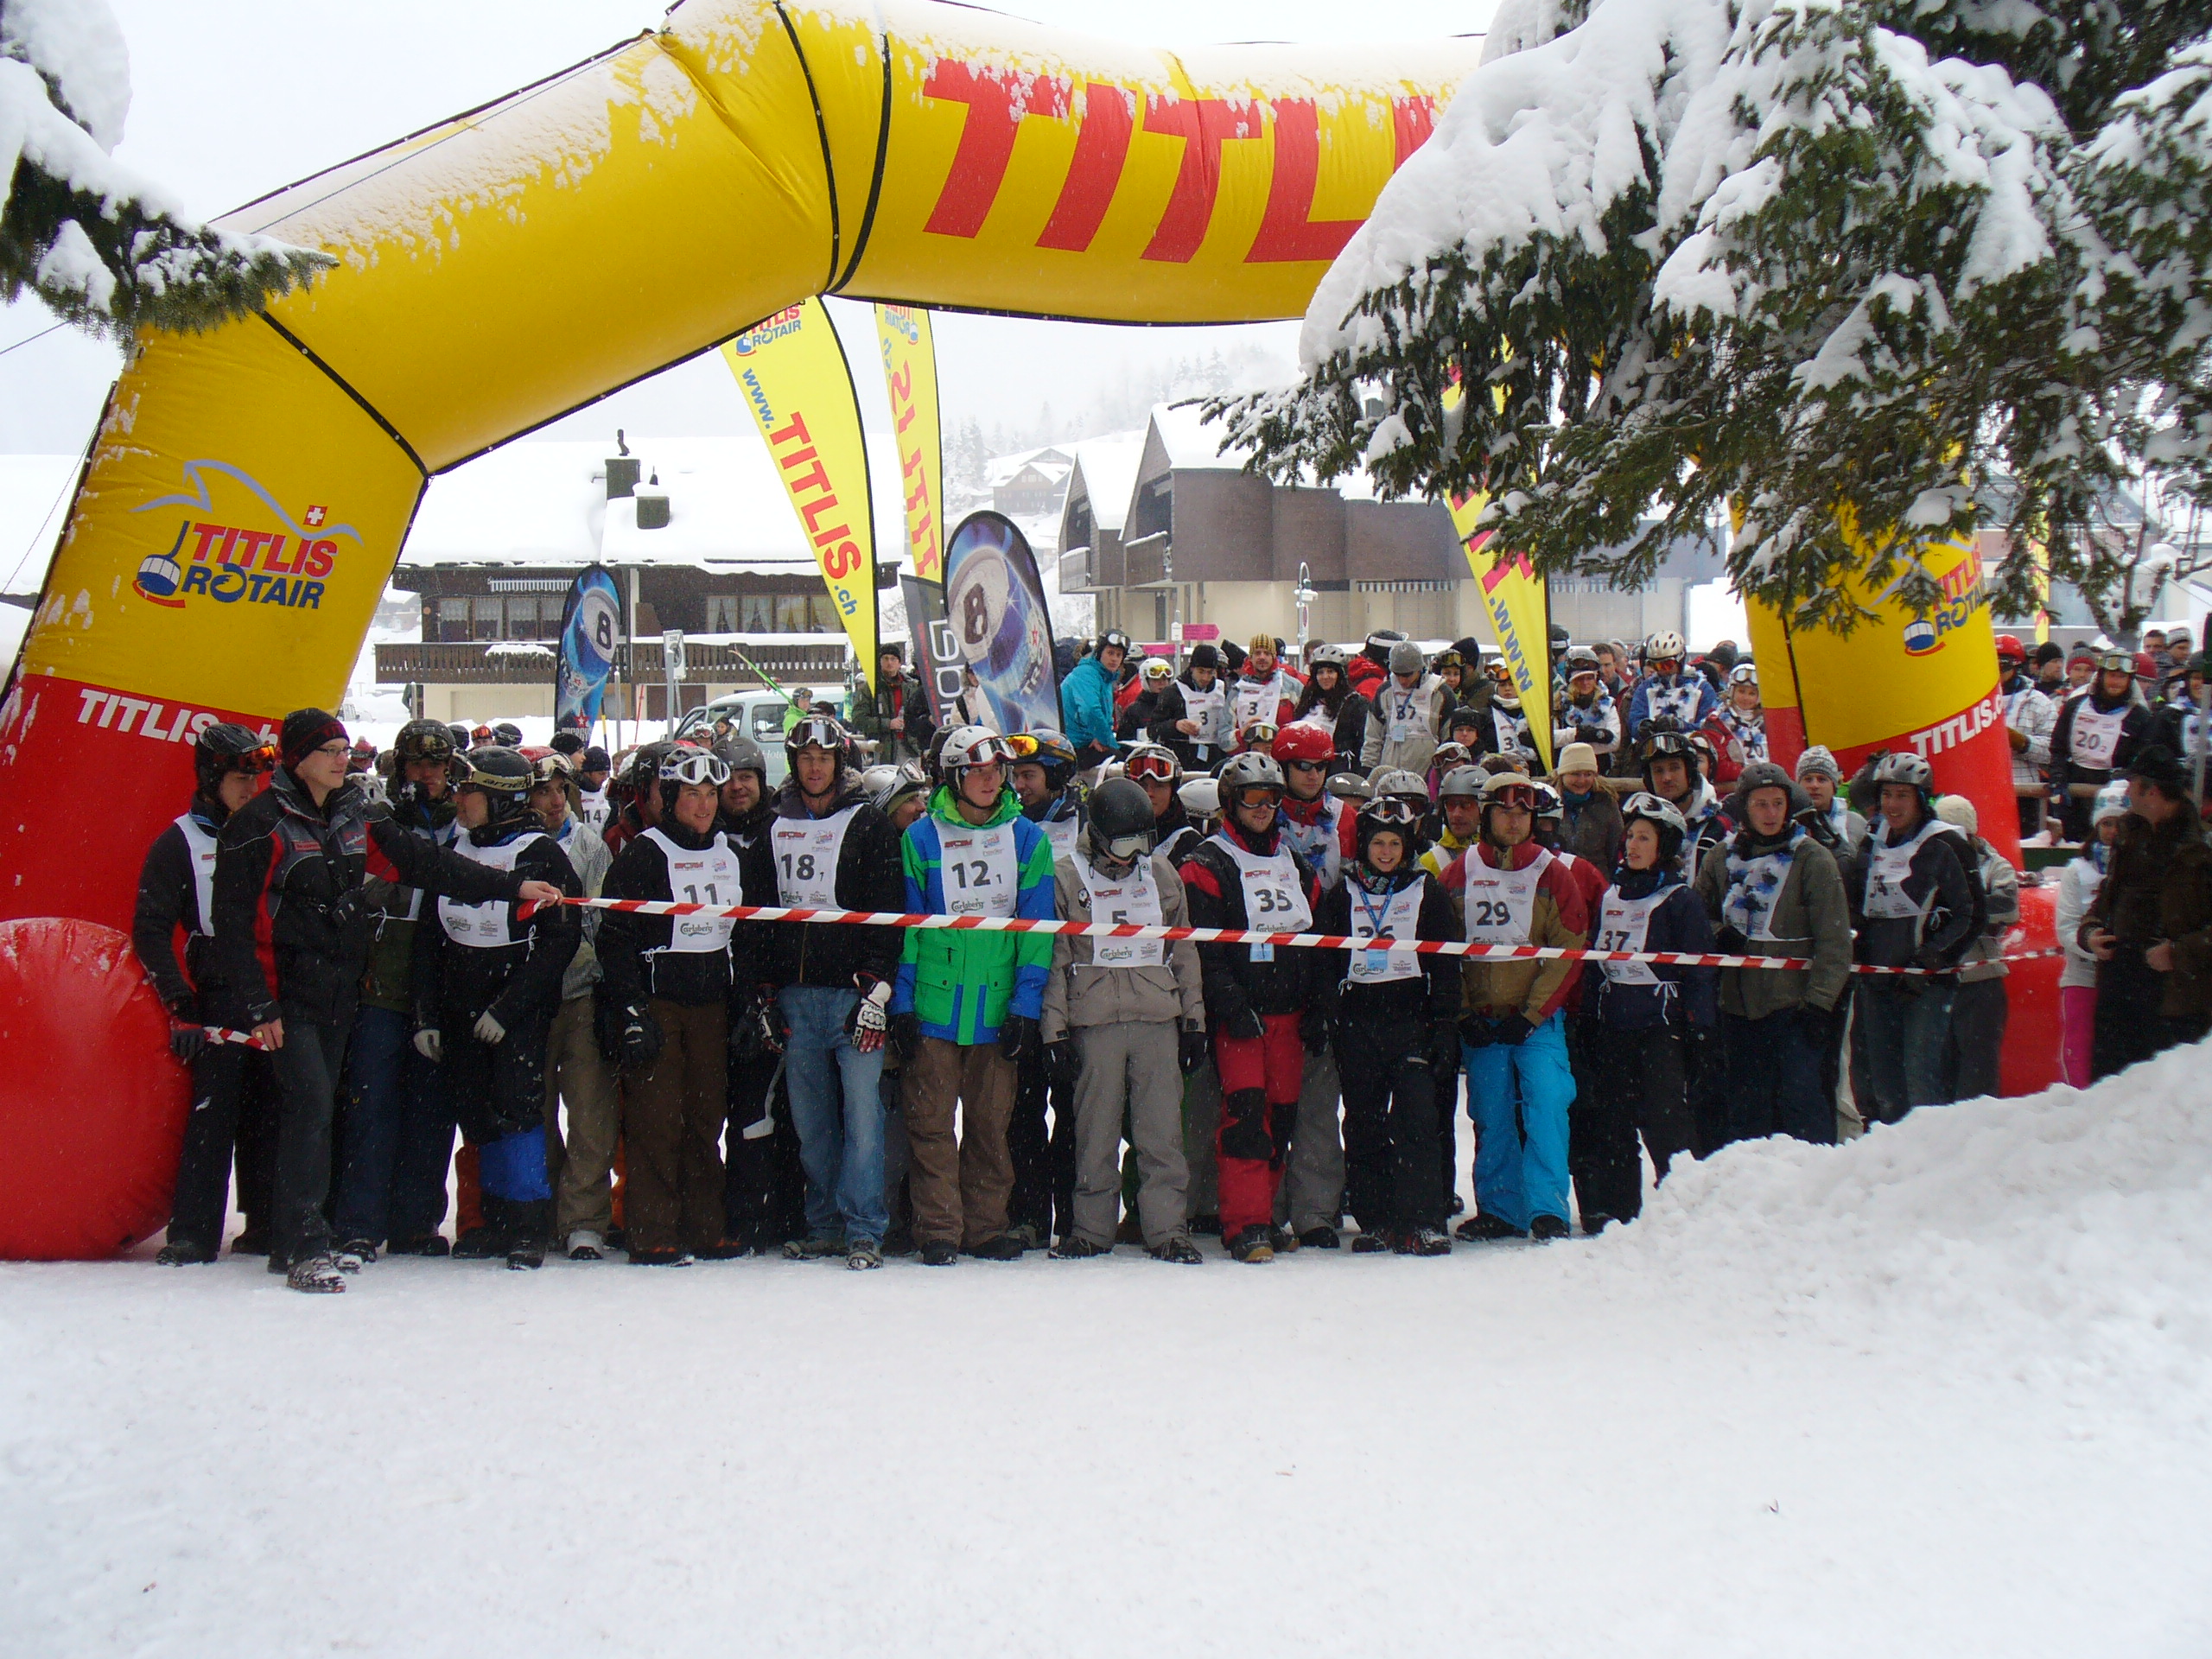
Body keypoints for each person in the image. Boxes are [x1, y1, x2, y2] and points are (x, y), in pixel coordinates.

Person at [211, 709, 562, 1292]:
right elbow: (233, 922)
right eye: (328, 750)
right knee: (312, 1110)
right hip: (285, 996)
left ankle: (298, 1234)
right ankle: (302, 1242)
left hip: (340, 989)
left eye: (344, 748)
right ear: (298, 758)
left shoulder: (355, 815)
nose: (340, 758)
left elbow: (431, 866)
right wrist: (258, 1004)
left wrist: (511, 885)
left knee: (320, 1113)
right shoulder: (258, 823)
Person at [408, 747, 582, 1270]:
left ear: (500, 798)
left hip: (516, 1005)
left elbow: (560, 942)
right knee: (475, 1108)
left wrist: (508, 1009)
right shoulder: (452, 847)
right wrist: (427, 1016)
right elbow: (427, 939)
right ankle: (492, 1220)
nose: (459, 801)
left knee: (517, 1109)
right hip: (460, 1000)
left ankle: (527, 1224)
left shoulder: (541, 854)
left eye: (470, 793)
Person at [889, 727, 1058, 1264]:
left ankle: (985, 1227)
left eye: (997, 771)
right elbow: (909, 930)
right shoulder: (920, 838)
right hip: (935, 1005)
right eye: (977, 771)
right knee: (931, 1125)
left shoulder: (1029, 839)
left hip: (997, 1005)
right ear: (955, 776)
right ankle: (938, 1229)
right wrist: (903, 1005)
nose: (990, 780)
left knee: (990, 1128)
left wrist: (1026, 1008)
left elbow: (1037, 931)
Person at [597, 748, 767, 1264]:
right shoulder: (644, 853)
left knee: (705, 1116)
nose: (704, 805)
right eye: (692, 794)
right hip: (659, 1002)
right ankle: (651, 1232)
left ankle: (704, 1226)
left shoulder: (729, 854)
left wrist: (748, 1004)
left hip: (711, 1002)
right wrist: (630, 1007)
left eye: (711, 795)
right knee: (655, 1119)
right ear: (670, 799)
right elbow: (615, 936)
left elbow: (746, 935)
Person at [1039, 778, 1207, 1263]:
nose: (1132, 856)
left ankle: (1167, 1229)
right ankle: (1091, 1229)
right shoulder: (1068, 877)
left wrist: (1193, 1020)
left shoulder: (1160, 874)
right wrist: (1055, 1030)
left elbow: (1183, 949)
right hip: (1095, 1020)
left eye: (1142, 843)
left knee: (1160, 1133)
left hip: (1156, 1015)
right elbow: (1055, 958)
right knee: (1096, 1131)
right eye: (1123, 844)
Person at [761, 715, 906, 1269]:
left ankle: (865, 1228)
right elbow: (757, 913)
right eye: (805, 760)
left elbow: (888, 910)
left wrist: (877, 989)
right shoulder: (774, 824)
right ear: (795, 764)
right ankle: (823, 1223)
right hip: (797, 1000)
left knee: (865, 1125)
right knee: (813, 1126)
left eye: (824, 759)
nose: (815, 768)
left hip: (854, 1001)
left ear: (838, 762)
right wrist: (763, 993)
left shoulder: (868, 823)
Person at [135, 723, 280, 1264]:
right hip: (216, 988)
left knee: (270, 1111)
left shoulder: (271, 828)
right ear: (210, 779)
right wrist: (180, 1002)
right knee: (212, 1114)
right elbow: (151, 928)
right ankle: (193, 1232)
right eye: (241, 780)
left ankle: (265, 1224)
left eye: (256, 779)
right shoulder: (180, 841)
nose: (251, 790)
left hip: (269, 983)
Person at [1180, 751, 1330, 1263]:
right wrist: (1228, 1002)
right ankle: (1243, 1224)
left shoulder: (1296, 862)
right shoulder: (1207, 863)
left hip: (1289, 1012)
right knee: (1245, 1117)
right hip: (1242, 1016)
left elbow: (1316, 941)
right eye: (1252, 798)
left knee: (1281, 1119)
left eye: (1271, 798)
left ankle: (1264, 1213)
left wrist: (1316, 1005)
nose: (1264, 808)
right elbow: (1205, 947)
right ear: (1230, 802)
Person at [329, 718, 467, 1260]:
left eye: (438, 764)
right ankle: (359, 1221)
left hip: (440, 987)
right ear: (399, 767)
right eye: (418, 763)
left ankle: (416, 1221)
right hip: (381, 984)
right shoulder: (375, 820)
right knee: (371, 1106)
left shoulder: (466, 821)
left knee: (431, 1112)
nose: (429, 774)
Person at [1444, 770, 1589, 1240]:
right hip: (1483, 1019)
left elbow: (1569, 949)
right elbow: (1442, 948)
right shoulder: (1460, 870)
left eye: (1522, 813)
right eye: (1504, 811)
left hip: (1536, 1020)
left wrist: (1532, 1015)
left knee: (1547, 1104)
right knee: (1491, 1112)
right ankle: (1499, 1209)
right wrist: (1464, 1011)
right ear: (1487, 815)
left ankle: (1547, 1208)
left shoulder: (1553, 872)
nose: (1513, 821)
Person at [1314, 794, 1459, 1254]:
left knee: (1418, 1118)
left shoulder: (1426, 891)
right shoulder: (1344, 894)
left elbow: (1447, 963)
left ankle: (1422, 1219)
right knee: (1364, 1123)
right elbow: (1325, 963)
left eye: (1395, 843)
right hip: (1359, 1020)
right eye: (1378, 843)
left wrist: (1444, 1024)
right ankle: (1375, 1218)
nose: (1386, 853)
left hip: (1411, 1019)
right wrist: (1328, 1017)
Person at [1694, 760, 1853, 1146]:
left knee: (1801, 1104)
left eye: (1778, 804)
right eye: (1761, 804)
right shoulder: (1718, 857)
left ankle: (1813, 1184)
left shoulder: (1812, 858)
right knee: (1746, 1108)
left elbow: (1834, 941)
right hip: (1736, 1005)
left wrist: (1819, 1004)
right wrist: (1718, 933)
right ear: (1745, 808)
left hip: (1794, 1006)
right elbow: (1697, 917)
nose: (1770, 813)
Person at [1579, 792, 1716, 1229]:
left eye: (1645, 838)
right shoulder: (1610, 894)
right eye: (1630, 837)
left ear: (1665, 847)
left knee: (1665, 1120)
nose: (1633, 846)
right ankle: (1620, 1210)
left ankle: (1680, 1207)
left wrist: (1701, 1029)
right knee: (1613, 1121)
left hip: (1661, 1028)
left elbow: (1699, 971)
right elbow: (1595, 961)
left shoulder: (1681, 900)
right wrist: (1588, 1016)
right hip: (1614, 1024)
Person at [522, 748, 620, 1261]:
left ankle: (584, 1217)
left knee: (590, 1111)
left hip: (581, 991)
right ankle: (542, 1206)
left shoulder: (589, 845)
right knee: (533, 1110)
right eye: (543, 791)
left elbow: (602, 921)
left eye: (562, 790)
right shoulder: (513, 845)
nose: (555, 801)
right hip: (530, 1000)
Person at [1845, 753, 1980, 1122]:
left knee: (1921, 1084)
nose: (1892, 805)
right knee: (1884, 1088)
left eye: (1902, 796)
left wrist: (1931, 959)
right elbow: (1858, 902)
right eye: (1887, 795)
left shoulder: (1947, 844)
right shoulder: (1872, 839)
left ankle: (1931, 1163)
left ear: (1921, 799)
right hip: (1877, 979)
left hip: (1925, 983)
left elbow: (1971, 914)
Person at [2081, 745, 2212, 1077]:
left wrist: (2178, 952)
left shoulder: (2200, 848)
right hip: (2119, 981)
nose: (2126, 792)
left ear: (2151, 791)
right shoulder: (2129, 834)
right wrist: (2092, 931)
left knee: (2157, 1098)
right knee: (2108, 1087)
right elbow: (2107, 897)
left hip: (2175, 994)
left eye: (2131, 784)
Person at [1934, 795, 2018, 1102]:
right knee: (1938, 1072)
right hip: (1937, 982)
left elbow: (2008, 908)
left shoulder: (1995, 866)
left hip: (1981, 982)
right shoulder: (1924, 863)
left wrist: (1960, 911)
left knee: (1977, 1077)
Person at [2056, 782, 2127, 1086]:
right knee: (2080, 1053)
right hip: (2083, 975)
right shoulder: (2077, 870)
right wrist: (2091, 947)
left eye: (2121, 824)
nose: (2113, 831)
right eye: (2107, 823)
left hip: (2126, 976)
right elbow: (2066, 926)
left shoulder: (2139, 866)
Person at [2050, 650, 2153, 842]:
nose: (2116, 682)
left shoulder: (2140, 717)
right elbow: (2058, 747)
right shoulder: (2076, 706)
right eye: (2112, 676)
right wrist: (2058, 776)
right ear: (2101, 676)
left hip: (2113, 794)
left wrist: (2126, 776)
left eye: (2122, 677)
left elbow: (2144, 759)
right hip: (2074, 788)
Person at [1995, 634, 2056, 841]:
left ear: (2015, 666)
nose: (1995, 670)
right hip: (1987, 786)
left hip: (2023, 791)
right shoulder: (1972, 700)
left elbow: (2052, 750)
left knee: (2022, 846)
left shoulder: (2038, 702)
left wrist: (2023, 743)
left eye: (2002, 664)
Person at [1360, 639, 1446, 777]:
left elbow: (1448, 737)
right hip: (1389, 773)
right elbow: (1373, 737)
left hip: (1427, 774)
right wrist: (1368, 768)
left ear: (1419, 669)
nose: (1402, 680)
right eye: (1397, 674)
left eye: (1407, 675)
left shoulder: (1440, 692)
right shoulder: (1385, 691)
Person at [1147, 642, 1234, 773]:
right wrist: (1175, 725)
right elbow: (1153, 730)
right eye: (1201, 672)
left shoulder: (1222, 690)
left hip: (1215, 759)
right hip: (1183, 759)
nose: (1205, 677)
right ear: (1192, 668)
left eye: (1210, 672)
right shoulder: (1173, 692)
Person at [849, 642, 936, 767]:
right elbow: (858, 719)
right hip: (882, 749)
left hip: (911, 748)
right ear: (879, 662)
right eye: (885, 659)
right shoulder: (870, 688)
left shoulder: (913, 686)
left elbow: (923, 715)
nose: (889, 662)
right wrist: (888, 724)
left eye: (893, 659)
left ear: (899, 663)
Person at [1007, 728, 1086, 862]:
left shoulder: (1086, 821)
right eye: (1016, 776)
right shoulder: (1009, 820)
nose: (1018, 786)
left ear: (1055, 776)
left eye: (1028, 776)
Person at [1287, 642, 1368, 772]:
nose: (1325, 677)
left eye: (1330, 671)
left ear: (1340, 674)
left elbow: (1362, 745)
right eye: (1320, 672)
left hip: (1338, 770)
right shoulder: (1308, 700)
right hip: (1306, 768)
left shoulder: (1355, 703)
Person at [1627, 630, 1717, 741]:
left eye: (1667, 664)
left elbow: (1710, 726)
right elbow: (1634, 720)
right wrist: (1642, 727)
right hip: (1654, 751)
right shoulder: (1645, 688)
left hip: (1691, 750)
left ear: (1680, 660)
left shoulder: (1702, 688)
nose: (1662, 671)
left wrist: (1681, 726)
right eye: (1656, 665)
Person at [1060, 630, 1129, 770]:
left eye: (1119, 655)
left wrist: (1100, 739)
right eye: (1110, 653)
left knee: (1132, 753)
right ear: (1099, 653)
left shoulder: (1104, 678)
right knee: (1125, 762)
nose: (1114, 659)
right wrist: (1108, 742)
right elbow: (1090, 711)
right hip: (1071, 746)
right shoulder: (1086, 674)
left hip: (1087, 741)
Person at [1122, 742, 1198, 866]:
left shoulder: (1189, 844)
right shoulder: (1110, 834)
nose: (1149, 793)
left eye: (1159, 786)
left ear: (1172, 793)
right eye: (1142, 785)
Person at [1552, 741, 1622, 871]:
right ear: (1563, 775)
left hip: (1596, 880)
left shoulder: (1605, 803)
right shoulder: (1548, 803)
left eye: (1588, 774)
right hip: (1556, 878)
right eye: (1575, 774)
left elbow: (1615, 847)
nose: (1582, 780)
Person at [1553, 646, 1624, 772]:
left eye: (1590, 678)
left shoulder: (1607, 704)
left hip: (1600, 769)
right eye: (1580, 678)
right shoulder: (1558, 703)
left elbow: (1614, 742)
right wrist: (1577, 734)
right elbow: (1552, 738)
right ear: (1571, 680)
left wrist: (1582, 742)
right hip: (1566, 768)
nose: (1586, 683)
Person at [1794, 746, 1867, 855]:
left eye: (1822, 779)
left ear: (1834, 786)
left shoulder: (1855, 823)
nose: (1814, 785)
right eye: (1808, 779)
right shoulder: (1786, 824)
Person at [1700, 664, 1766, 785]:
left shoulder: (1768, 724)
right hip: (1729, 790)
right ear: (1731, 691)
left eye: (1752, 693)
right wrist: (1750, 774)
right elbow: (1717, 766)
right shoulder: (1715, 723)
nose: (1746, 698)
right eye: (1741, 691)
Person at [1230, 633, 1303, 741]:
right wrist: (1240, 735)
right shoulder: (1237, 690)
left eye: (1267, 653)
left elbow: (1306, 723)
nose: (1262, 657)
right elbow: (1224, 735)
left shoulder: (1292, 686)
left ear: (1274, 657)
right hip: (1248, 753)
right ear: (1250, 657)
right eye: (1257, 653)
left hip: (1281, 753)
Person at [1118, 657, 1177, 745]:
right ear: (1145, 681)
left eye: (1165, 679)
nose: (1161, 683)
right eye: (1156, 679)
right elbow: (1124, 743)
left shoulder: (1176, 707)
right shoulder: (1134, 711)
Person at [575, 746, 613, 837]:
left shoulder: (609, 796)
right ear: (587, 772)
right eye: (601, 774)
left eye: (607, 773)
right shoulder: (574, 794)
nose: (605, 778)